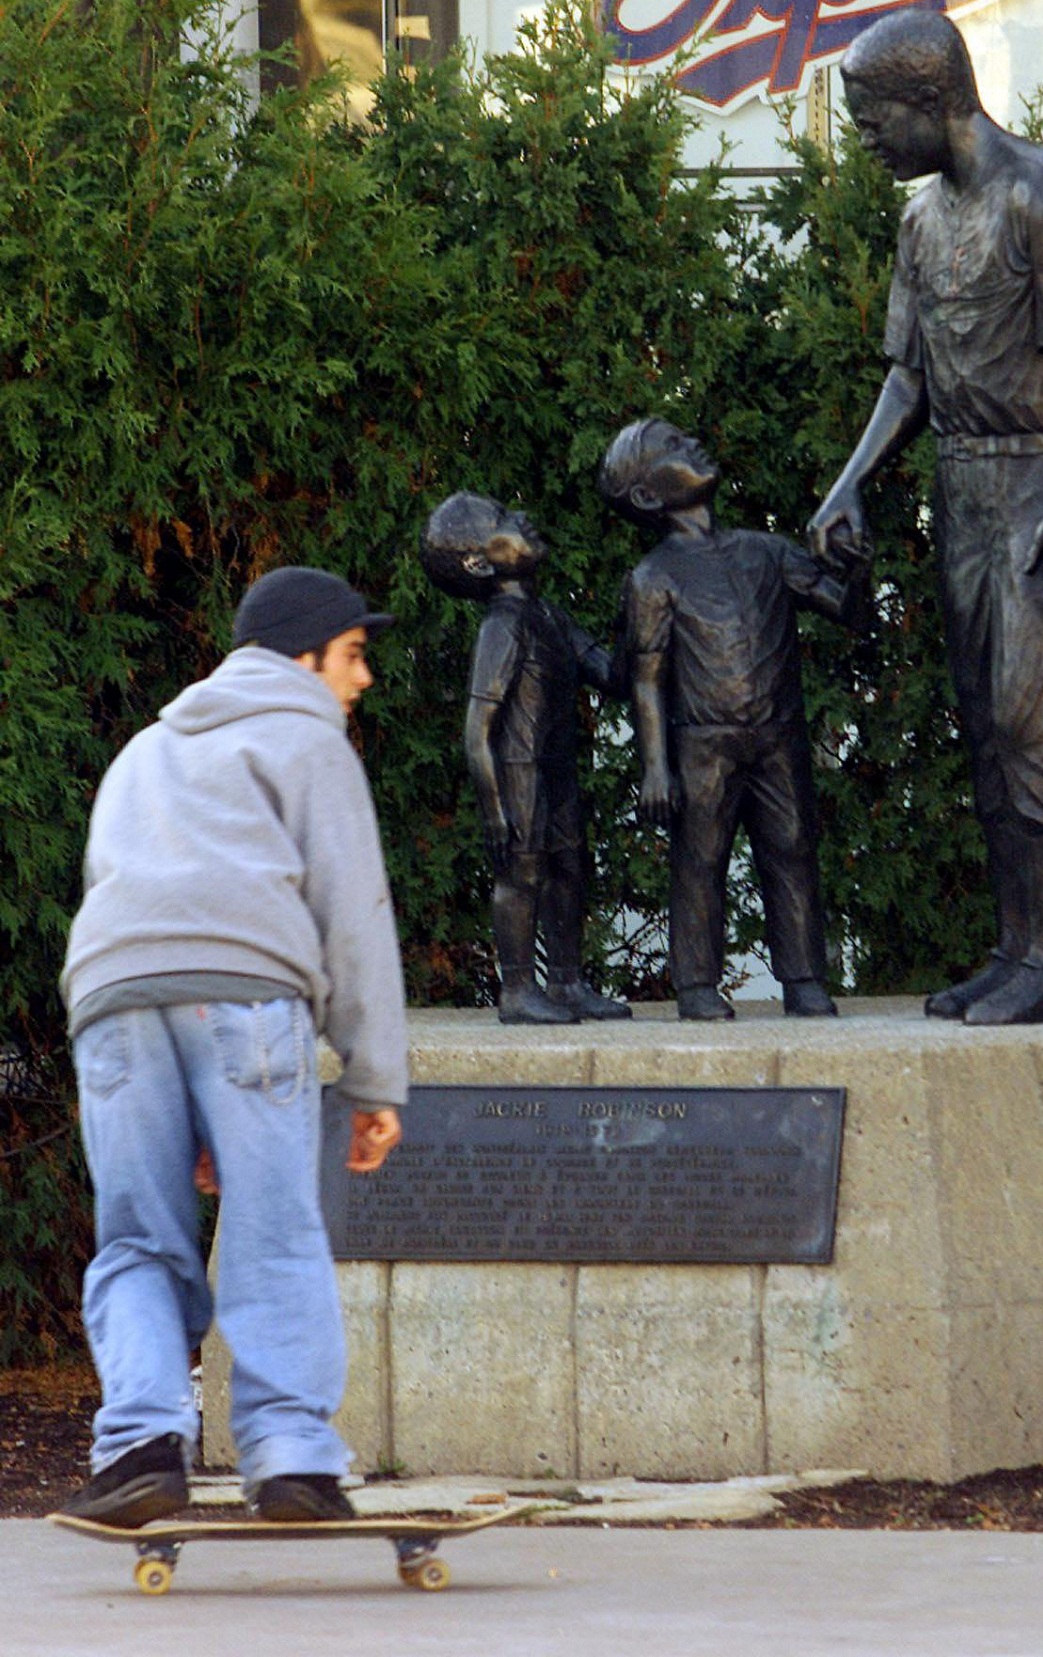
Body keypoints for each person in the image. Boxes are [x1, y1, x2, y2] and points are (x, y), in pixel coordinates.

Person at [58, 566, 408, 1527]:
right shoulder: (308, 739)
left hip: (114, 1000)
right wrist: (374, 1078)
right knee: (273, 1224)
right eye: (353, 654)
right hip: (245, 996)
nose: (361, 678)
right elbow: (354, 913)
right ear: (304, 655)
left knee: (137, 1235)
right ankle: (291, 1455)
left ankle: (140, 1445)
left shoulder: (145, 749)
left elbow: (114, 891)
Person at [808, 8, 1043, 1025]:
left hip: (1036, 486)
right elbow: (907, 376)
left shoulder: (1040, 192)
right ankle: (1013, 949)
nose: (864, 138)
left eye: (871, 119)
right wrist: (850, 481)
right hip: (961, 486)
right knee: (987, 730)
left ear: (929, 100)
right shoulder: (918, 221)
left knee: (1032, 723)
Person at [600, 418, 866, 1021]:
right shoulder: (653, 578)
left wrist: (855, 567)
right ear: (647, 496)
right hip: (703, 745)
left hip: (778, 736)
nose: (692, 443)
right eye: (672, 447)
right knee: (700, 862)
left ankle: (804, 978)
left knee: (793, 851)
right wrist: (655, 767)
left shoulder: (765, 551)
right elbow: (646, 678)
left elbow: (844, 608)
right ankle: (696, 983)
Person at [420, 492, 631, 1025]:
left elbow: (612, 675)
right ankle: (517, 988)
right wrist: (494, 810)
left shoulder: (550, 616)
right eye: (503, 520)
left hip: (556, 770)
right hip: (518, 771)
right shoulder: (502, 626)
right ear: (479, 563)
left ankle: (566, 981)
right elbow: (477, 730)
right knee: (522, 871)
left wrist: (637, 621)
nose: (523, 518)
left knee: (570, 867)